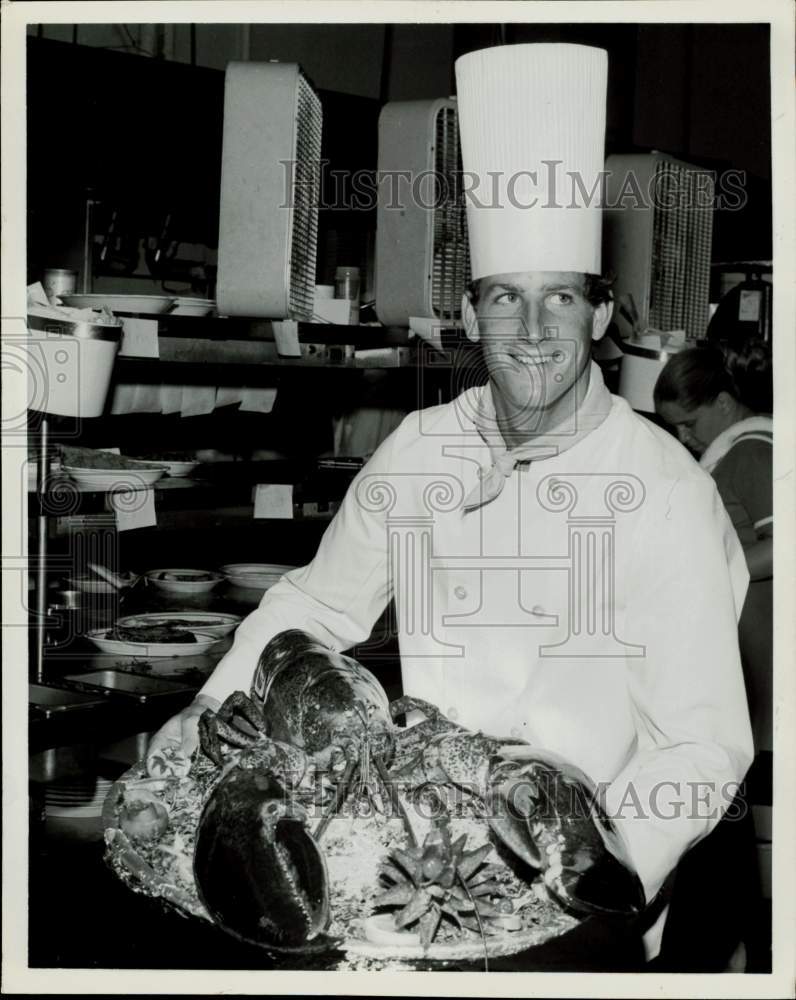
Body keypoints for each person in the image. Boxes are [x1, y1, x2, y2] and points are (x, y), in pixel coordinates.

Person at [148, 43, 753, 964]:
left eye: (562, 299)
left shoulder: (667, 492)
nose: (535, 330)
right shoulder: (423, 448)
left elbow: (702, 747)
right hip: (414, 866)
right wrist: (207, 708)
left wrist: (581, 868)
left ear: (601, 316)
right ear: (470, 316)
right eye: (507, 298)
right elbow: (316, 606)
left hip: (573, 906)